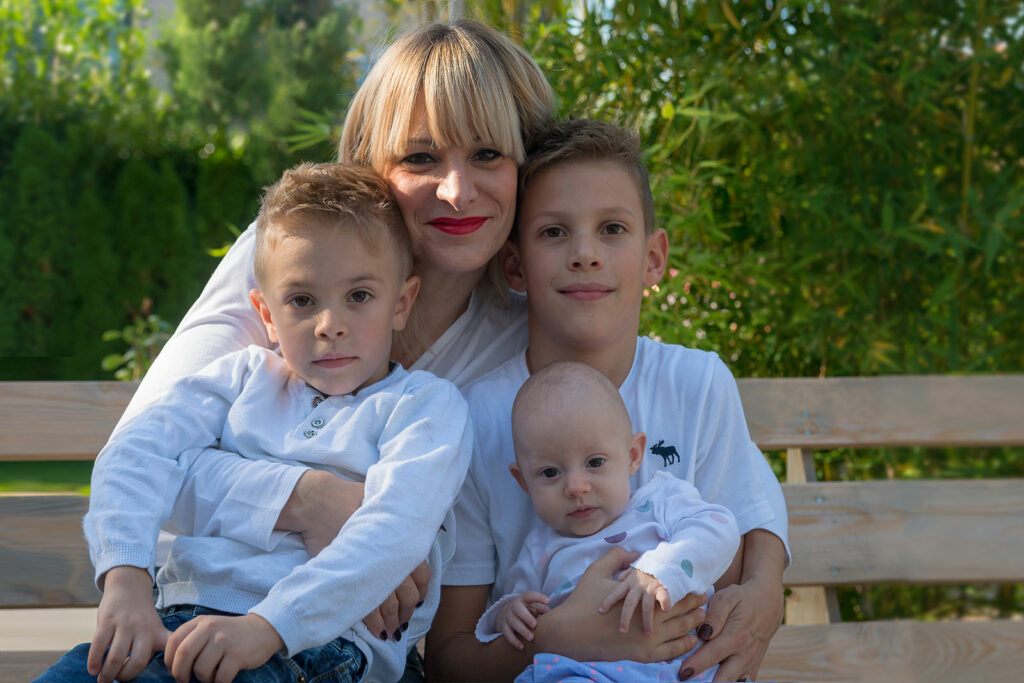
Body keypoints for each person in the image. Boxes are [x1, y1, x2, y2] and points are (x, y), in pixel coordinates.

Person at [96, 19, 787, 682]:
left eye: (487, 154)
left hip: (351, 652)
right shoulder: (299, 258)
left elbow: (716, 461)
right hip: (207, 609)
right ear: (372, 162)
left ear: (523, 169)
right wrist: (313, 501)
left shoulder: (529, 314)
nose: (457, 191)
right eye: (420, 157)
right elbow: (149, 448)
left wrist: (764, 586)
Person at [36, 163, 473, 683]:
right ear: (266, 315)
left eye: (359, 296)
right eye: (302, 300)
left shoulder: (424, 408)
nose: (330, 325)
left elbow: (394, 533)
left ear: (401, 303)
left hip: (317, 647)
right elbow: (137, 449)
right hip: (180, 618)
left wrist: (267, 627)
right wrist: (127, 582)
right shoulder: (241, 379)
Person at [433, 118, 790, 682]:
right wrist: (550, 640)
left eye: (613, 229)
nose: (585, 254)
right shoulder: (477, 416)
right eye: (554, 232)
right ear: (515, 265)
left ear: (654, 258)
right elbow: (447, 661)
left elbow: (720, 591)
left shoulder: (696, 385)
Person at [478, 361, 741, 683]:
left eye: (595, 462)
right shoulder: (538, 549)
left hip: (682, 667)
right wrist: (508, 612)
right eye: (550, 472)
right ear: (524, 482)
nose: (576, 487)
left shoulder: (661, 501)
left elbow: (719, 526)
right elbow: (523, 613)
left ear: (633, 456)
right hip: (586, 674)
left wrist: (659, 570)